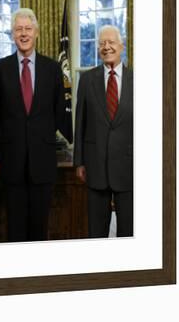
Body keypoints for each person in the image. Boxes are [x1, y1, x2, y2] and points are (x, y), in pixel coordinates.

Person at [0, 8, 72, 242]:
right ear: (12, 34)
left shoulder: (52, 68)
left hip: (43, 161)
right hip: (11, 162)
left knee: (40, 227)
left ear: (36, 32)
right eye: (19, 29)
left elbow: (61, 110)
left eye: (28, 29)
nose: (23, 33)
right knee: (15, 228)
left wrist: (72, 145)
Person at [74, 25, 133, 238]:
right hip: (95, 165)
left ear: (121, 46)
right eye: (102, 44)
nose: (106, 47)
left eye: (111, 43)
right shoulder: (88, 80)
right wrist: (79, 161)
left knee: (129, 231)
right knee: (97, 231)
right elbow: (80, 122)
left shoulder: (137, 80)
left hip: (129, 167)